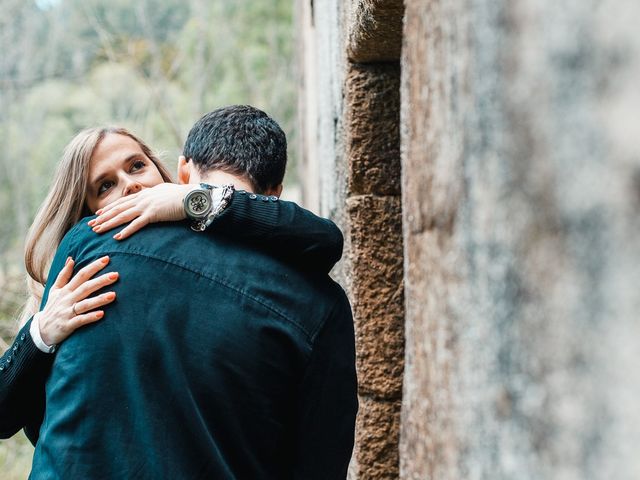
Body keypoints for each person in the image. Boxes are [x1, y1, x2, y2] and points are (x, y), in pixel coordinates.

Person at [28, 105, 358, 479]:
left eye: (137, 166)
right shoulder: (320, 304)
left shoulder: (88, 244)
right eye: (105, 186)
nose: (131, 188)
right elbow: (319, 464)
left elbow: (43, 417)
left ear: (181, 171)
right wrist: (40, 333)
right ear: (275, 194)